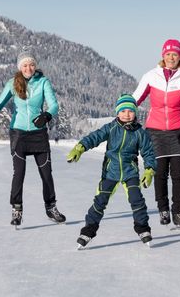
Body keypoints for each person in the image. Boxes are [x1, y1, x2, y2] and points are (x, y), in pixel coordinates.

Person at [0, 49, 66, 227]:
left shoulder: (43, 82)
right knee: (19, 173)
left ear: (35, 66)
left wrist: (47, 115)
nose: (28, 68)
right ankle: (17, 210)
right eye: (25, 65)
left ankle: (51, 207)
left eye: (31, 64)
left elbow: (54, 104)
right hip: (18, 133)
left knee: (46, 174)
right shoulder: (12, 83)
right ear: (20, 67)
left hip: (38, 133)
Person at [67, 94, 157, 248]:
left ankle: (143, 228)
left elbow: (148, 152)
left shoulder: (140, 132)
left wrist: (149, 170)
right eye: (123, 111)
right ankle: (88, 230)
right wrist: (80, 147)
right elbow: (94, 137)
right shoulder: (111, 127)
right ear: (117, 112)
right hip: (110, 172)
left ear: (135, 112)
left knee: (137, 200)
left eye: (130, 111)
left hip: (130, 172)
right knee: (100, 201)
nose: (126, 114)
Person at [132, 39, 180, 228]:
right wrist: (124, 111)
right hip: (155, 130)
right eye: (168, 54)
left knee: (178, 172)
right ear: (163, 55)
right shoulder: (151, 76)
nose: (171, 57)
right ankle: (163, 209)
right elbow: (136, 97)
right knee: (160, 172)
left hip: (178, 130)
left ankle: (178, 213)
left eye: (175, 54)